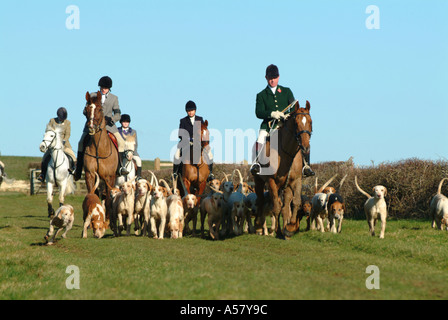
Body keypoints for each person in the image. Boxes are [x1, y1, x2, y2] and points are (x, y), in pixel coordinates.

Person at [250, 64, 315, 177]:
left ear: (278, 77)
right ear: (266, 78)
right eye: (270, 78)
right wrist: (272, 114)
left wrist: (286, 115)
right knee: (260, 138)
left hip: (285, 124)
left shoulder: (286, 91)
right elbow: (258, 112)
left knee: (302, 138)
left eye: (274, 78)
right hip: (269, 126)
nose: (272, 80)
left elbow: (294, 107)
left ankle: (306, 166)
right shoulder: (261, 95)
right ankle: (256, 163)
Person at [74, 76, 129, 181]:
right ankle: (78, 169)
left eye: (106, 88)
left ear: (109, 88)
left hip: (109, 126)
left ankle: (120, 167)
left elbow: (118, 114)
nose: (104, 89)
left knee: (121, 142)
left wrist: (111, 119)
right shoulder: (92, 95)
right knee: (81, 142)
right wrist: (91, 115)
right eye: (102, 87)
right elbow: (84, 111)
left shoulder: (114, 98)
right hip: (92, 125)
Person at [172, 100, 214, 181]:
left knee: (210, 154)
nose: (190, 112)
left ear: (195, 110)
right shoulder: (183, 121)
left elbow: (204, 131)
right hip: (186, 142)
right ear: (186, 111)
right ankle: (175, 173)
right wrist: (188, 138)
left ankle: (210, 173)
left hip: (198, 142)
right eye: (189, 111)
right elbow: (180, 134)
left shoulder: (200, 119)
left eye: (192, 110)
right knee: (177, 154)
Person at [37, 107, 77, 182]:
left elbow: (68, 134)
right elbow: (48, 131)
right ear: (58, 116)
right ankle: (42, 174)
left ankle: (73, 170)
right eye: (62, 118)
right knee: (45, 158)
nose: (63, 120)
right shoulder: (52, 121)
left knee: (73, 156)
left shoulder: (68, 122)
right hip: (53, 145)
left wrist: (64, 140)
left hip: (64, 145)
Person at [117, 114, 143, 180]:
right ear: (121, 122)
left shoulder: (133, 131)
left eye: (127, 122)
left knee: (138, 160)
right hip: (121, 153)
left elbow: (136, 144)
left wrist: (132, 152)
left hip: (132, 152)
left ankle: (139, 176)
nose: (125, 123)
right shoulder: (117, 131)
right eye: (124, 122)